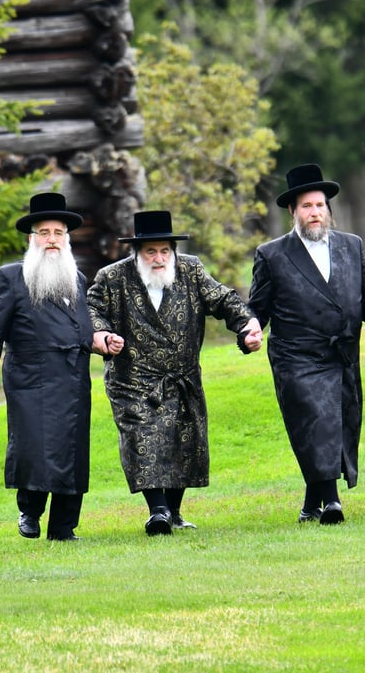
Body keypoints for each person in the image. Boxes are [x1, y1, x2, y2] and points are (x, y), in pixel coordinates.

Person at [86, 210, 263, 536]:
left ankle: (174, 511)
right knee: (143, 439)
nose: (158, 258)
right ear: (136, 253)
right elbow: (92, 309)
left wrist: (246, 325)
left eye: (164, 250)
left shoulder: (191, 269)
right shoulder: (113, 278)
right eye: (150, 251)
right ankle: (157, 511)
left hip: (182, 376)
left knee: (182, 442)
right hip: (133, 380)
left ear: (173, 251)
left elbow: (222, 298)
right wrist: (102, 335)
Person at [247, 164, 365, 525]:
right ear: (292, 212)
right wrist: (250, 329)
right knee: (316, 421)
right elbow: (257, 306)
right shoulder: (272, 254)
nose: (314, 213)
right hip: (295, 356)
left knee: (338, 423)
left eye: (319, 205)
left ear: (328, 209)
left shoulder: (351, 245)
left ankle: (310, 505)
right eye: (306, 206)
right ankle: (332, 503)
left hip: (342, 353)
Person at [0, 192, 95, 542]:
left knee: (73, 452)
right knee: (35, 448)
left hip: (73, 379)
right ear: (32, 239)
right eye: (44, 233)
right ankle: (30, 510)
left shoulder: (77, 279)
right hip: (31, 379)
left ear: (66, 239)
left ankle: (63, 528)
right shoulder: (11, 277)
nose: (52, 239)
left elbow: (82, 327)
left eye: (58, 232)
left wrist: (102, 341)